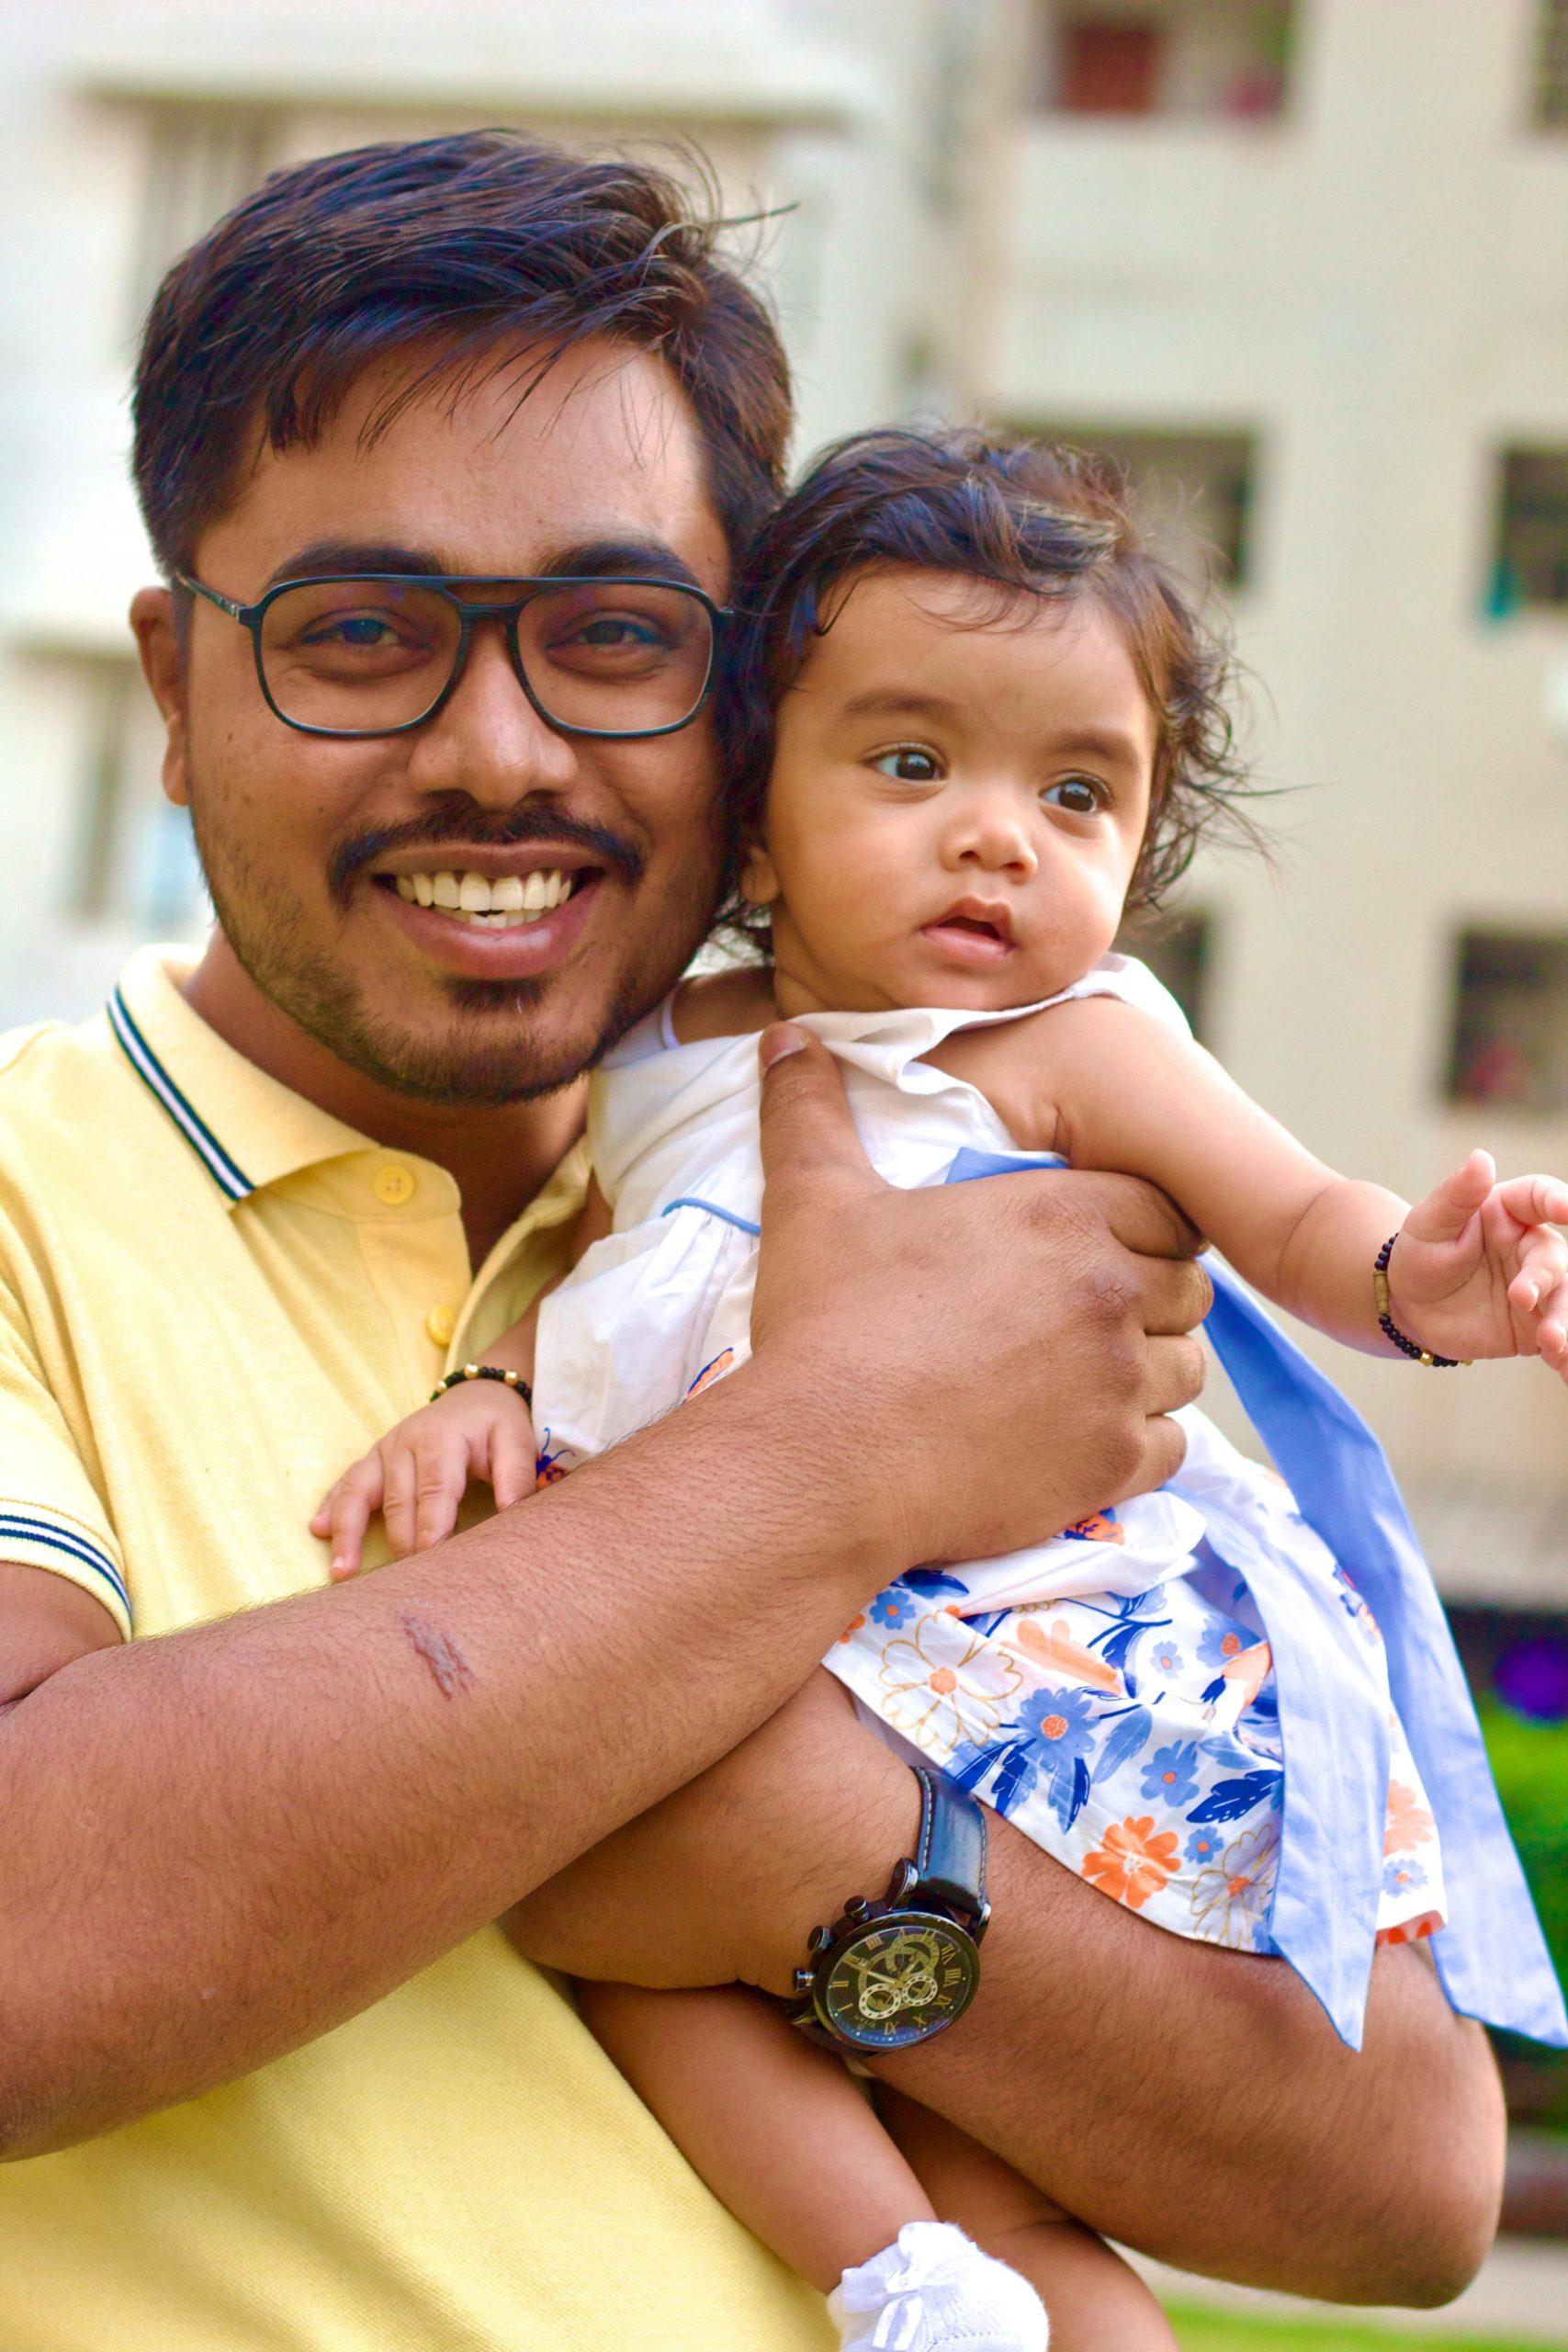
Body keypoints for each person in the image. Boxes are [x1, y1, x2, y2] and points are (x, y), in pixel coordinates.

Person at [0, 133, 1512, 2352]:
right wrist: (838, 1455)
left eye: (614, 634)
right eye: (359, 635)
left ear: (749, 696)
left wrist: (825, 1868)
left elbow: (1405, 2180)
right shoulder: (34, 1206)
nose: (493, 748)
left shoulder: (1013, 1216)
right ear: (174, 672)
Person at [319, 426, 1568, 2350]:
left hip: (1029, 1637)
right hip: (756, 1613)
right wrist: (483, 1381)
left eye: (1076, 793)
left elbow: (1300, 1218)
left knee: (994, 2119)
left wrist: (1431, 1278)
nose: (996, 831)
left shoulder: (1067, 1042)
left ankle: (1008, 2288)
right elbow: (577, 1256)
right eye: (910, 764)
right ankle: (895, 2279)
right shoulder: (658, 1046)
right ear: (750, 820)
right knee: (641, 1951)